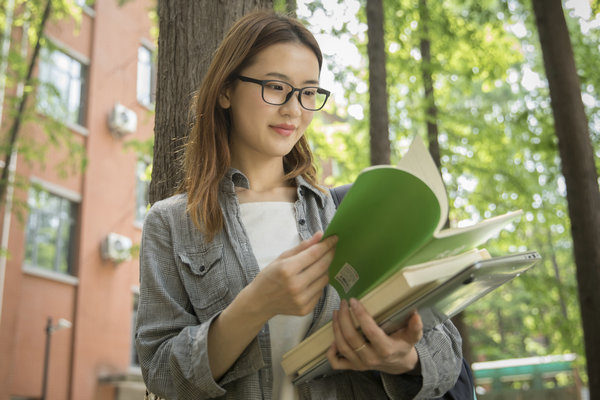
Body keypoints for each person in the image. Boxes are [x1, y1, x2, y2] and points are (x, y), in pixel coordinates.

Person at [135, 10, 462, 400]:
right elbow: (160, 373)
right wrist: (254, 306)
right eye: (276, 87)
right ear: (225, 90)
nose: (294, 109)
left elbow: (447, 356)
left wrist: (402, 359)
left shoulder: (345, 212)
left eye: (308, 92)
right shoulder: (171, 223)